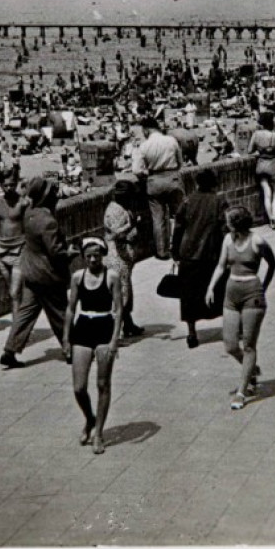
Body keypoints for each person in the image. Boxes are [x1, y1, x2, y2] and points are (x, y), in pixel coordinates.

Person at [206, 206, 275, 410]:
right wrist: (211, 287)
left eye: (228, 220)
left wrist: (264, 286)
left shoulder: (258, 241)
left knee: (249, 345)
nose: (225, 223)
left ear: (236, 223)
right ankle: (252, 369)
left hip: (252, 295)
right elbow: (221, 266)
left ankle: (242, 391)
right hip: (231, 294)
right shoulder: (228, 239)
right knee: (230, 345)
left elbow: (273, 264)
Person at [0, 177, 70, 369]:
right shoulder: (48, 221)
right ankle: (70, 349)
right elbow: (55, 252)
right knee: (61, 313)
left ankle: (10, 349)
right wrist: (70, 253)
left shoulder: (29, 214)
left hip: (31, 272)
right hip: (48, 275)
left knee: (25, 313)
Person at [62, 237, 122, 455]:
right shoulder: (78, 277)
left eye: (96, 254)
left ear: (102, 254)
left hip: (104, 327)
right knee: (79, 387)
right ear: (83, 257)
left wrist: (115, 339)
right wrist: (66, 338)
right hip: (83, 328)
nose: (93, 259)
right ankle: (90, 418)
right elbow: (70, 309)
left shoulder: (112, 276)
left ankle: (98, 433)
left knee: (103, 384)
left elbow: (119, 310)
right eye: (88, 255)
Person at [171, 168, 227, 348]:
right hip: (212, 253)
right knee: (221, 291)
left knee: (189, 296)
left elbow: (178, 228)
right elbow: (225, 228)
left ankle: (192, 333)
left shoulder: (187, 201)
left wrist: (175, 251)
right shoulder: (219, 201)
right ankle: (232, 326)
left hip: (189, 254)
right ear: (214, 184)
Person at [133, 115, 184, 262]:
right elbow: (180, 163)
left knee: (158, 219)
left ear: (147, 130)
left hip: (154, 181)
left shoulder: (144, 146)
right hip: (173, 178)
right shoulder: (171, 140)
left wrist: (147, 173)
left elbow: (136, 170)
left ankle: (162, 252)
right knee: (179, 215)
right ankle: (179, 247)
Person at [102, 179, 145, 338]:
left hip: (121, 256)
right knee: (121, 293)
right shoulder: (117, 211)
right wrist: (132, 224)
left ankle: (128, 324)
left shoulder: (118, 208)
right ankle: (115, 332)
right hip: (117, 257)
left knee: (124, 290)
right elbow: (116, 233)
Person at [0, 169, 28, 314]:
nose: (8, 188)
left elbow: (27, 225)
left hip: (20, 249)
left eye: (11, 185)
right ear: (1, 186)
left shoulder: (23, 203)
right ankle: (20, 322)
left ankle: (16, 329)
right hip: (2, 249)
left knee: (15, 291)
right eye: (5, 185)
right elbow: (0, 223)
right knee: (13, 293)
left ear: (16, 184)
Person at [249, 113, 275, 228]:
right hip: (274, 165)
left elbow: (250, 150)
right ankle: (274, 217)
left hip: (261, 165)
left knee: (266, 192)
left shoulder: (256, 134)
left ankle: (270, 217)